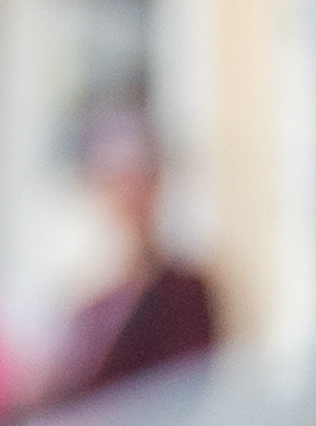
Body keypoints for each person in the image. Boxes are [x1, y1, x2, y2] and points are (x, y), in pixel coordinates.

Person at [35, 98, 217, 407]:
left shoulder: (183, 290)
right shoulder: (84, 294)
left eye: (139, 176)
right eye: (116, 179)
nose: (129, 192)